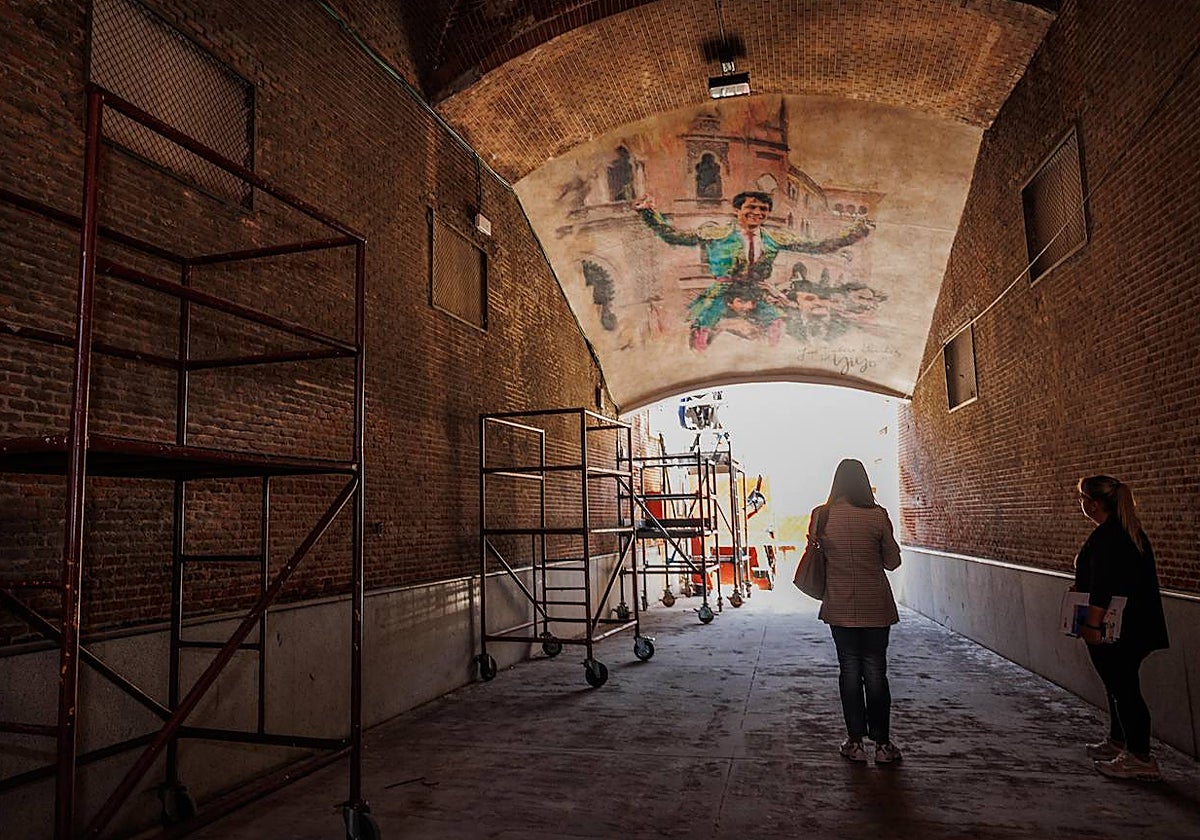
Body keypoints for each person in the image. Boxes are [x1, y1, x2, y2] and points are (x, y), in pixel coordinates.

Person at [634, 191, 871, 350]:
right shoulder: (717, 233)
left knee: (777, 322)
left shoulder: (774, 238)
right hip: (724, 290)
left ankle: (770, 358)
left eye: (763, 209)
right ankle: (698, 356)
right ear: (738, 210)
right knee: (702, 325)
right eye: (751, 207)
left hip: (756, 290)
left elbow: (818, 246)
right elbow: (673, 236)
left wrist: (855, 234)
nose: (757, 212)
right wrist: (648, 213)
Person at [1073, 475, 1170, 780]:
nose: (1082, 504)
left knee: (1125, 690)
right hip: (1135, 626)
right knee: (1118, 686)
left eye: (1083, 498)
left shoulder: (1110, 537)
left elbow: (1104, 586)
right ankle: (1119, 741)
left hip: (1119, 629)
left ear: (1096, 504)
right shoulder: (1125, 533)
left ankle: (1140, 758)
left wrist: (1092, 624)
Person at [808, 458, 902, 764]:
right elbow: (892, 562)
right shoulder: (878, 516)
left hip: (840, 605)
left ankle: (855, 742)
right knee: (875, 670)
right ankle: (883, 746)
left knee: (849, 669)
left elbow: (815, 553)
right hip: (876, 606)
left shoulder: (822, 516)